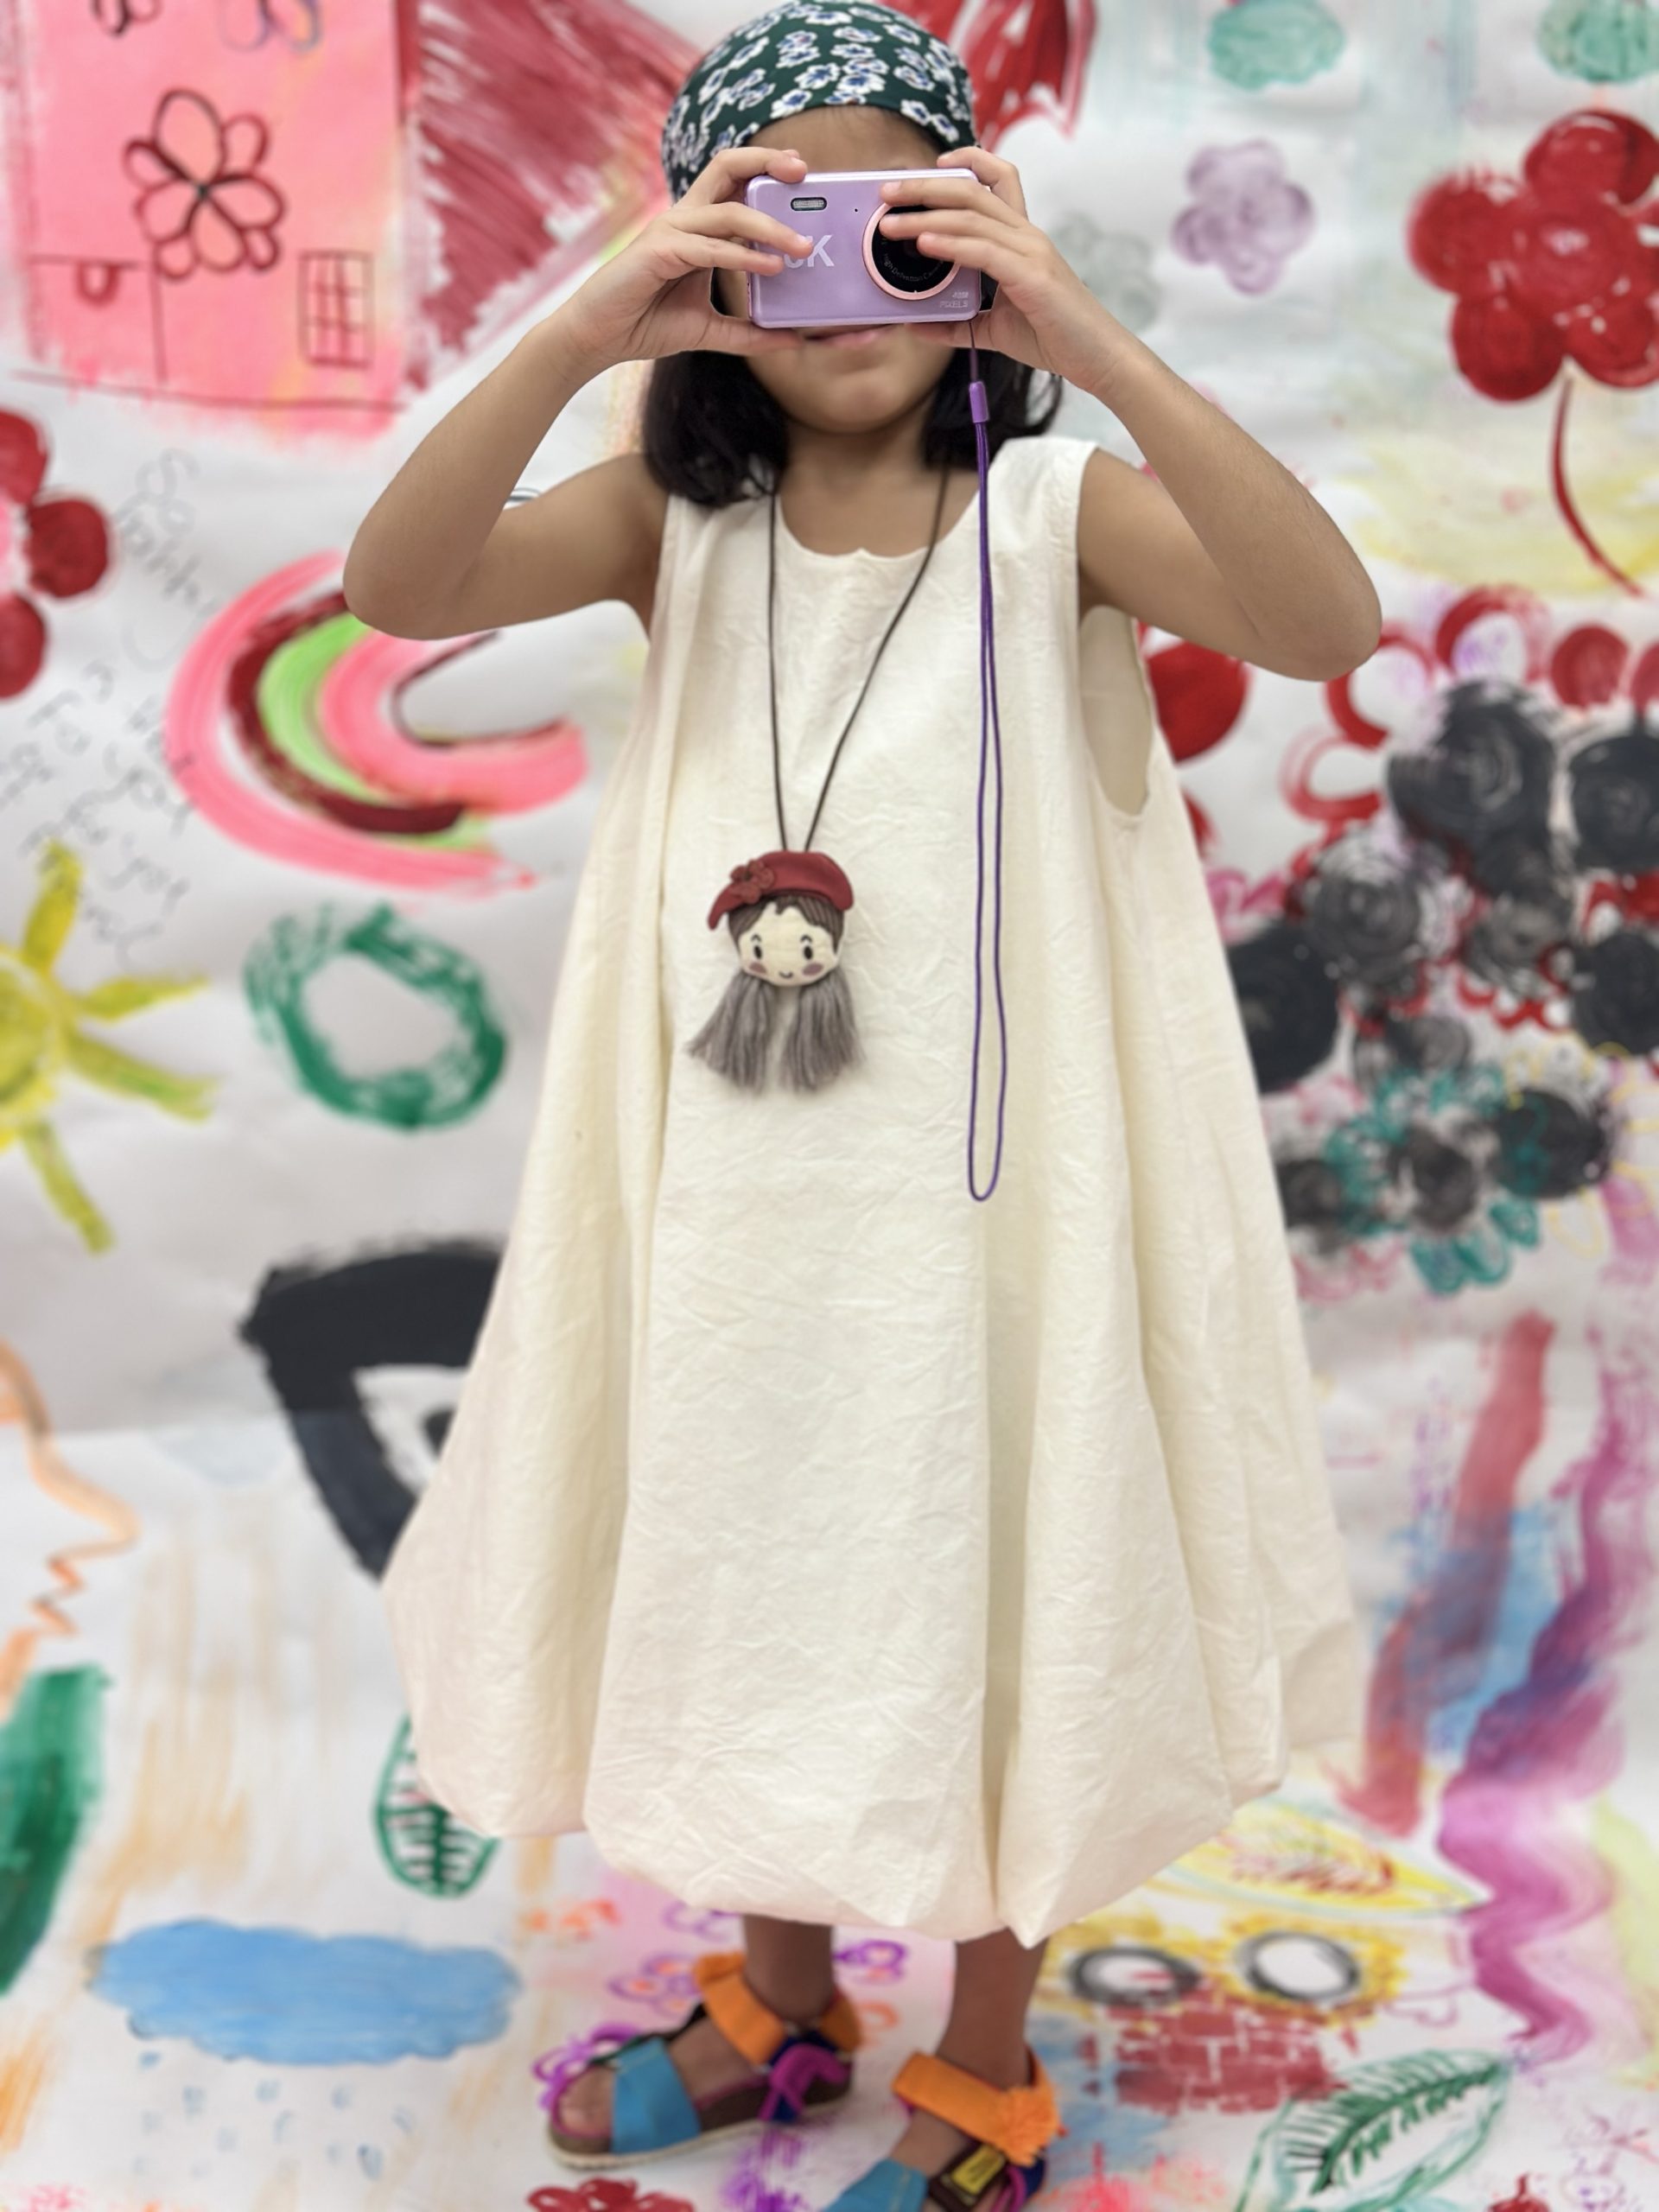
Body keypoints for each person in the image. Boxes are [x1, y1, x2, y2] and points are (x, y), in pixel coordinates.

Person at [346, 4, 1378, 2205]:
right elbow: (399, 587)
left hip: (993, 1216)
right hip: (733, 1206)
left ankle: (985, 2053)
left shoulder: (1055, 515)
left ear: (978, 233)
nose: (849, 287)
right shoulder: (674, 520)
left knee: (994, 1574)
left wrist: (1080, 328)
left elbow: (1322, 617)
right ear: (712, 260)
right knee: (749, 1559)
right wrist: (591, 325)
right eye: (786, 232)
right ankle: (780, 1988)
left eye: (902, 226)